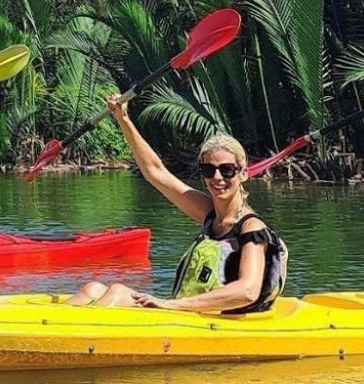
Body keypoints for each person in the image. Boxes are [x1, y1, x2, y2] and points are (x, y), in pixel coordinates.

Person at [66, 95, 286, 311]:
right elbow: (155, 172)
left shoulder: (251, 227)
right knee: (92, 289)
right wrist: (123, 119)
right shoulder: (210, 213)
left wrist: (173, 304)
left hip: (211, 321)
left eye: (227, 170)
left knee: (117, 292)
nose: (217, 177)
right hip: (189, 314)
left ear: (244, 173)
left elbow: (247, 291)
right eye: (208, 170)